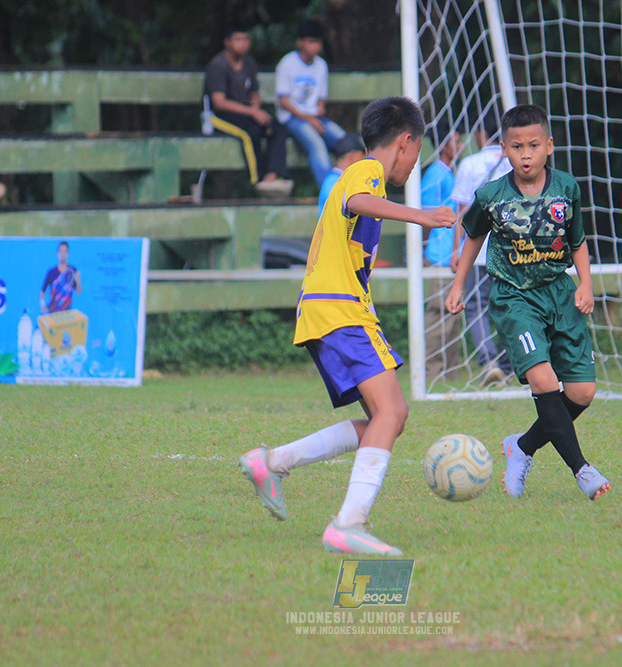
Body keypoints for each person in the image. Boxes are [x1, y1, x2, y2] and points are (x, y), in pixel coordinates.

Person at [238, 96, 456, 555]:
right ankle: (348, 524)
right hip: (340, 310)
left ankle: (273, 461)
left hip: (331, 308)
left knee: (387, 419)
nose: (416, 164)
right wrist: (420, 216)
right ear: (405, 141)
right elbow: (359, 198)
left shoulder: (363, 176)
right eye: (417, 153)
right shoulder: (367, 170)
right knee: (392, 414)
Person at [445, 104, 611, 501]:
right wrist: (458, 285)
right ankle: (582, 470)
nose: (525, 154)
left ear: (549, 146)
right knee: (544, 381)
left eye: (533, 145)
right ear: (503, 148)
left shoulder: (567, 188)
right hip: (514, 296)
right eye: (516, 146)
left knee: (582, 393)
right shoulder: (491, 195)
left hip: (559, 292)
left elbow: (578, 242)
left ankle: (521, 447)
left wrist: (585, 284)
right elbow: (473, 239)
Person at [450, 111, 514, 385]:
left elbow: (461, 212)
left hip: (478, 249)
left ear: (480, 135)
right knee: (510, 303)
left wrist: (456, 249)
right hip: (513, 247)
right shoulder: (516, 162)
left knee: (477, 305)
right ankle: (512, 362)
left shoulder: (470, 163)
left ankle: (489, 360)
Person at [202, 26, 292, 196]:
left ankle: (273, 175)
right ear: (227, 42)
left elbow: (254, 93)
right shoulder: (218, 65)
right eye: (238, 40)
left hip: (247, 113)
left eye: (246, 40)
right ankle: (257, 180)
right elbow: (219, 103)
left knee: (278, 128)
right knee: (251, 133)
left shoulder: (249, 63)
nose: (243, 44)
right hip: (220, 116)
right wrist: (252, 112)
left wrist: (255, 108)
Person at [275, 19, 347, 187]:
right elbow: (283, 101)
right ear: (300, 42)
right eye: (311, 41)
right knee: (318, 145)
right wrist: (310, 120)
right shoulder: (287, 63)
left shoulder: (321, 65)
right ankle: (329, 191)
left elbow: (320, 99)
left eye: (318, 42)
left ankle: (353, 187)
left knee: (345, 140)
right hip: (291, 118)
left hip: (314, 117)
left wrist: (318, 113)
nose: (315, 46)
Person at [420, 120, 464, 384]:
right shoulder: (435, 175)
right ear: (445, 145)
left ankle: (449, 371)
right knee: (438, 314)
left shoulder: (449, 173)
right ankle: (433, 372)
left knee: (452, 316)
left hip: (453, 256)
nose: (460, 146)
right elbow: (424, 218)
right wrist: (425, 253)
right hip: (438, 256)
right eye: (456, 141)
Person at [317, 132, 364, 214]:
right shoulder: (336, 182)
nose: (363, 160)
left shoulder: (334, 180)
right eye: (361, 155)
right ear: (351, 155)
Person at [40, 241, 82, 314]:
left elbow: (78, 292)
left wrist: (78, 281)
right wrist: (42, 305)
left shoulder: (73, 271)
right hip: (53, 313)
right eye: (60, 251)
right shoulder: (51, 272)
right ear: (57, 253)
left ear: (67, 254)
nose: (62, 254)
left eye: (65, 251)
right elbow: (42, 291)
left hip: (67, 314)